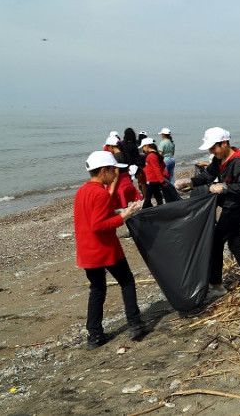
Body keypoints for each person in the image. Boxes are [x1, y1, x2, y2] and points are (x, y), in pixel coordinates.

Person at [74, 151, 146, 350]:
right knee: (127, 281)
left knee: (97, 290)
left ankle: (94, 336)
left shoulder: (82, 191)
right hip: (105, 250)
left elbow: (92, 217)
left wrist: (119, 212)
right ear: (103, 171)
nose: (116, 174)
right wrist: (125, 215)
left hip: (86, 251)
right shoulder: (101, 193)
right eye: (114, 170)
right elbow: (99, 225)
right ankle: (135, 324)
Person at [177, 127, 240, 294]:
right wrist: (190, 182)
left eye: (213, 147)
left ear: (224, 143)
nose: (211, 151)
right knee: (234, 244)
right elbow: (207, 176)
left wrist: (224, 187)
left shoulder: (237, 162)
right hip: (230, 206)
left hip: (235, 208)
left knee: (216, 243)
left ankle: (216, 284)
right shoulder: (219, 159)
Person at [104, 136, 141, 207]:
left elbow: (116, 174)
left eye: (108, 147)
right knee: (125, 204)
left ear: (111, 146)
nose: (108, 149)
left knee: (117, 206)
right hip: (127, 182)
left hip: (119, 184)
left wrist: (111, 189)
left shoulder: (115, 157)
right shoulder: (125, 154)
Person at [140, 137, 174, 208]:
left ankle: (143, 211)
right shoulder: (156, 154)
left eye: (143, 147)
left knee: (148, 197)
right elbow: (162, 166)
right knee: (157, 195)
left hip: (152, 180)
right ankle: (160, 208)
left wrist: (162, 181)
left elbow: (156, 169)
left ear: (147, 146)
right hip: (155, 180)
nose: (142, 149)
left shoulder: (151, 156)